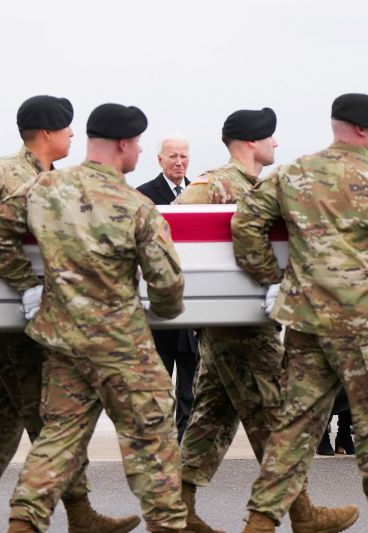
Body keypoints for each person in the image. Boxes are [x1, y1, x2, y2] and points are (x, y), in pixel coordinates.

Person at [0, 103, 188, 533]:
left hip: (62, 342)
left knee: (57, 442)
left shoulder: (45, 187)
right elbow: (167, 283)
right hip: (123, 347)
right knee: (153, 440)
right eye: (137, 144)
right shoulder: (136, 205)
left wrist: (28, 287)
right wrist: (164, 313)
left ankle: (23, 523)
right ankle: (169, 525)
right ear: (123, 145)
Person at [0, 95, 139, 533]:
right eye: (68, 128)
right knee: (51, 418)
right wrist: (12, 288)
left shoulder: (55, 179)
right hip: (6, 323)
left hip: (30, 321)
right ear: (49, 133)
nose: (73, 135)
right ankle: (77, 511)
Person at [232, 93, 368, 533]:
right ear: (360, 129)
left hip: (306, 324)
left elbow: (247, 222)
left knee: (293, 428)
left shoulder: (293, 173)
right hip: (366, 330)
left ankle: (259, 522)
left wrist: (272, 276)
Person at [174, 109, 358, 533]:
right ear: (252, 142)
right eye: (270, 137)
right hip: (237, 324)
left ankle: (177, 510)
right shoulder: (215, 184)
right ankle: (301, 511)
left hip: (240, 319)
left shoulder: (254, 186)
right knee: (278, 414)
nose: (275, 144)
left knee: (211, 416)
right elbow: (176, 224)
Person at [136, 134, 198, 441]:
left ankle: (184, 440)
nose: (179, 162)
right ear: (160, 160)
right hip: (157, 301)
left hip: (192, 301)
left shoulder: (199, 193)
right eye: (172, 156)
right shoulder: (144, 195)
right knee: (159, 382)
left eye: (184, 156)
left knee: (190, 382)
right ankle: (159, 439)